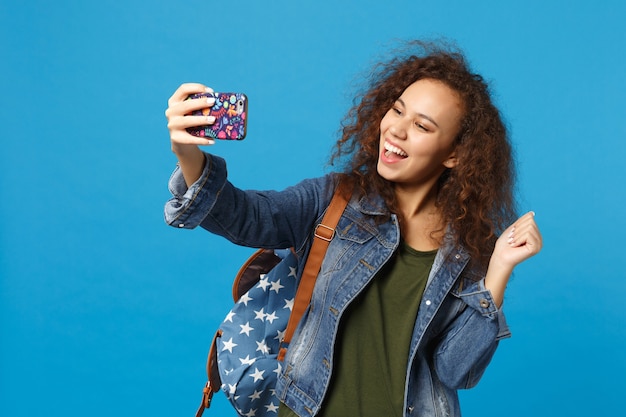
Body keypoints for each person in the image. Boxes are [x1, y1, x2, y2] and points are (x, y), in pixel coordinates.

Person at [164, 41, 542, 417]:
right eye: (397, 110)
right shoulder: (334, 200)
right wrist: (189, 156)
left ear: (454, 155)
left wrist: (498, 272)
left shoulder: (469, 249)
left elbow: (455, 370)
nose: (396, 130)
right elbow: (248, 216)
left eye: (422, 126)